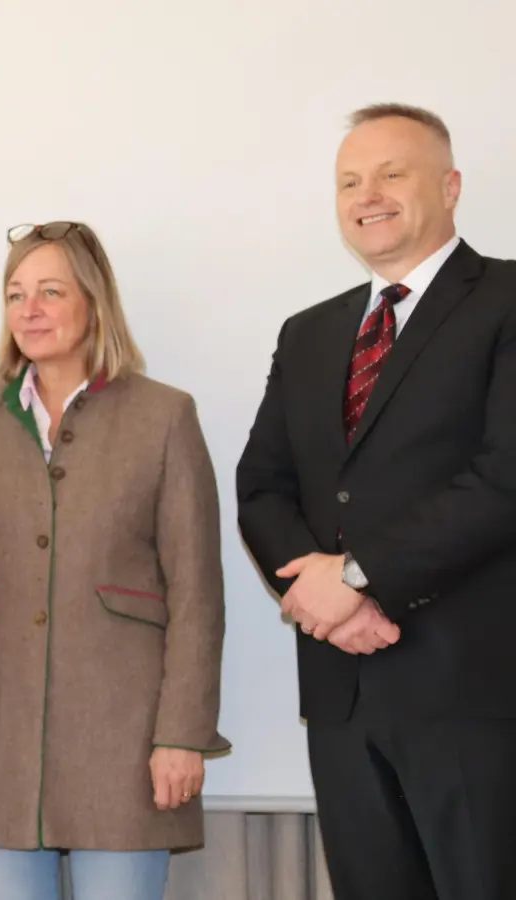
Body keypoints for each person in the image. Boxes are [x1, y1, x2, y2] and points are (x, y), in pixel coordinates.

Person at [237, 103, 516, 900]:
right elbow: (262, 485)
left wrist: (357, 577)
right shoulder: (309, 332)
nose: (370, 194)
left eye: (393, 173)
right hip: (342, 694)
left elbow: (506, 478)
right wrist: (323, 598)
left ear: (451, 185)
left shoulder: (505, 300)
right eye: (350, 180)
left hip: (472, 690)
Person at [0, 220, 229, 900]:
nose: (30, 308)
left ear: (95, 301)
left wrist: (183, 736)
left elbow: (198, 592)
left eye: (50, 291)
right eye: (16, 293)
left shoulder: (165, 416)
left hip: (127, 742)